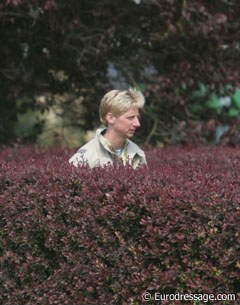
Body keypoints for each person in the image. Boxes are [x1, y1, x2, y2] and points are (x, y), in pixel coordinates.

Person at [69, 87, 147, 168]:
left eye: (137, 117)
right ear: (110, 118)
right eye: (130, 118)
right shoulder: (85, 158)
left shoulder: (138, 154)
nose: (137, 124)